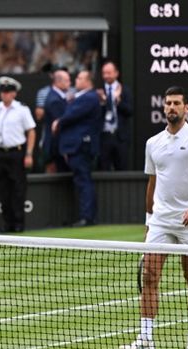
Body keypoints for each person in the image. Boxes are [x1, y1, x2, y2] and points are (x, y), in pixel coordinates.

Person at [119, 86, 188, 349]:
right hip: (161, 222)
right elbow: (152, 183)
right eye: (168, 103)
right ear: (164, 108)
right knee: (149, 276)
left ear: (187, 108)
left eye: (176, 103)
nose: (171, 107)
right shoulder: (153, 144)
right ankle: (146, 340)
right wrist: (149, 221)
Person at [52, 70, 102, 227]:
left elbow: (71, 115)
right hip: (75, 146)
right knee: (82, 180)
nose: (76, 80)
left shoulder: (89, 97)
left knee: (84, 180)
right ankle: (86, 216)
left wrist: (59, 122)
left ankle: (87, 217)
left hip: (80, 146)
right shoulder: (82, 97)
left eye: (79, 78)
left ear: (88, 81)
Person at [0, 76, 36, 233]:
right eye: (2, 92)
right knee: (3, 190)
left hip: (17, 153)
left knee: (18, 189)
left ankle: (19, 223)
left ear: (14, 93)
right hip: (0, 154)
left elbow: (31, 132)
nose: (4, 95)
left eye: (8, 92)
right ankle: (7, 224)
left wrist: (28, 154)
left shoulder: (22, 109)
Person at [97, 60, 133, 171]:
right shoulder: (99, 91)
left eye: (109, 73)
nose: (106, 76)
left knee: (122, 168)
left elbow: (130, 111)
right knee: (103, 169)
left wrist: (117, 101)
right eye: (104, 73)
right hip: (104, 136)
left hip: (120, 136)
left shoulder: (125, 90)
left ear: (116, 73)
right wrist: (103, 102)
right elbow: (94, 115)